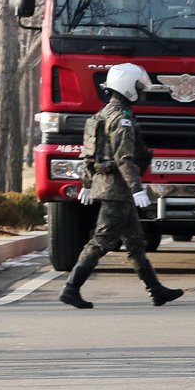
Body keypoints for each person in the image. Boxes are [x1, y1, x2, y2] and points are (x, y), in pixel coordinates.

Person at [60, 62, 183, 309]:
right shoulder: (122, 119)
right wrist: (137, 188)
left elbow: (88, 155)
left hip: (110, 187)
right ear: (128, 87)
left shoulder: (100, 115)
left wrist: (87, 182)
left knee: (136, 242)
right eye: (138, 85)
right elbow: (124, 158)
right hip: (118, 190)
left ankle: (156, 290)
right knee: (101, 240)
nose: (142, 91)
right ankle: (71, 289)